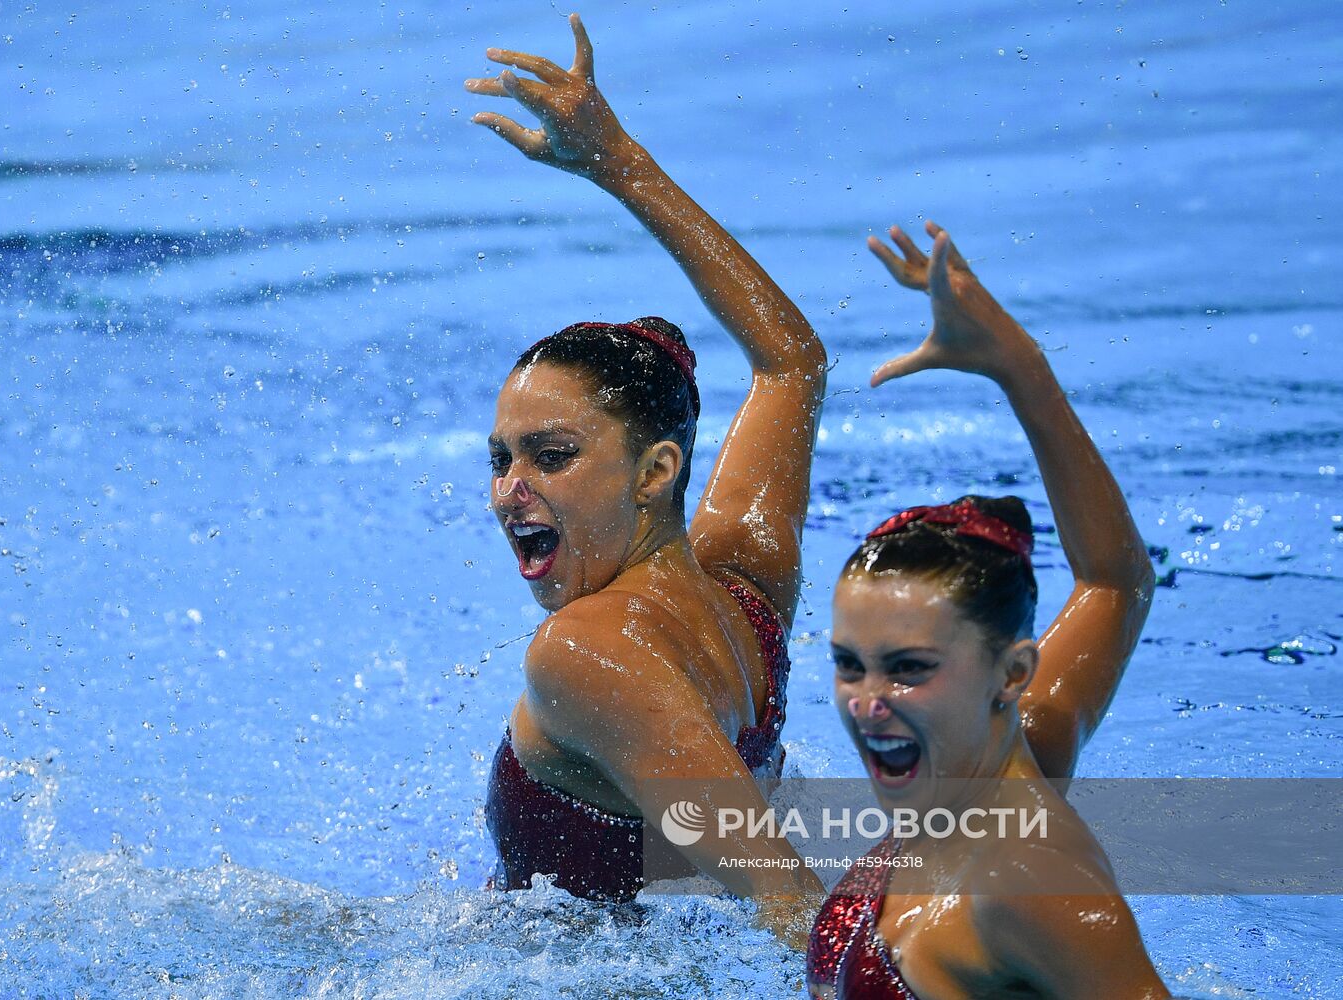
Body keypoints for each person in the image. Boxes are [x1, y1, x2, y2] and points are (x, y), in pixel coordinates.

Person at [465, 15, 826, 940]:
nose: (511, 489)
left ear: (656, 472)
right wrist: (619, 162)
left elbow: (790, 905)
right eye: (500, 458)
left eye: (552, 455)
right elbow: (790, 361)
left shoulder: (589, 654)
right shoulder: (747, 589)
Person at [806, 223, 1168, 997]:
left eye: (908, 669)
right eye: (848, 664)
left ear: (1011, 671)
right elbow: (1115, 581)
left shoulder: (1030, 884)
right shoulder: (993, 756)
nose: (866, 702)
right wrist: (1018, 368)